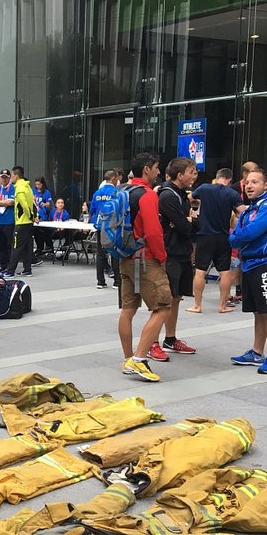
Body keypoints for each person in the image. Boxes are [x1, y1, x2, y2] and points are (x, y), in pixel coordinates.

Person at [118, 153, 170, 383]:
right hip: (145, 258)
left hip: (126, 258)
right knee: (163, 307)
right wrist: (162, 257)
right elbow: (153, 232)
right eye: (157, 168)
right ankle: (138, 360)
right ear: (147, 169)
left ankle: (129, 358)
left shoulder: (123, 191)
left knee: (128, 310)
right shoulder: (147, 195)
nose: (159, 172)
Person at [229, 168, 267, 375]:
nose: (250, 186)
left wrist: (237, 236)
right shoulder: (249, 210)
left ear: (266, 185)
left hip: (266, 264)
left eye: (255, 182)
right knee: (257, 311)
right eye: (247, 182)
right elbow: (236, 235)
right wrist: (237, 236)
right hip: (249, 264)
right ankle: (256, 351)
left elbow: (249, 232)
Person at [149, 157, 199, 362]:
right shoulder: (168, 196)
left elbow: (185, 225)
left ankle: (170, 339)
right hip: (170, 254)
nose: (195, 175)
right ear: (180, 175)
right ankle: (152, 343)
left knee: (176, 298)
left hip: (182, 253)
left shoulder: (181, 195)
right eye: (192, 171)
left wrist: (188, 220)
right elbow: (186, 227)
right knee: (164, 300)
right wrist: (191, 219)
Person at [188, 168, 246, 314]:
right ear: (229, 180)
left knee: (200, 271)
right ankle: (222, 306)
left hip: (204, 236)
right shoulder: (232, 193)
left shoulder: (204, 188)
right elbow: (243, 210)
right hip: (223, 237)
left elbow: (190, 199)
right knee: (224, 272)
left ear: (217, 177)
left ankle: (197, 305)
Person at [89, 170, 121, 288]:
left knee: (100, 253)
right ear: (113, 179)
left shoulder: (97, 193)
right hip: (112, 226)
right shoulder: (116, 192)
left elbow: (92, 209)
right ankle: (117, 281)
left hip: (99, 225)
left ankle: (100, 281)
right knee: (115, 253)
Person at [4, 166, 35, 278]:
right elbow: (33, 203)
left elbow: (25, 205)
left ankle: (10, 271)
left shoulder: (20, 188)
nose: (11, 178)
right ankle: (27, 269)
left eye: (12, 175)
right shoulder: (28, 187)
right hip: (28, 223)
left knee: (16, 247)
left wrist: (31, 215)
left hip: (22, 223)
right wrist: (34, 216)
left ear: (16, 176)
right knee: (27, 247)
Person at [0, 170, 15, 273]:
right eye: (2, 177)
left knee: (9, 244)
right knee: (0, 244)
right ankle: (3, 265)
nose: (4, 179)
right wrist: (3, 203)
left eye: (6, 177)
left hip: (9, 220)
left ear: (9, 178)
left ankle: (10, 266)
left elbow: (11, 202)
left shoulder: (12, 188)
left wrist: (0, 203)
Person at [32, 177, 54, 260]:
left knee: (45, 231)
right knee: (36, 232)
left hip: (43, 215)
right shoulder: (33, 191)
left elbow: (49, 203)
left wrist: (45, 204)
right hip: (35, 214)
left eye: (39, 184)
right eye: (36, 184)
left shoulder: (47, 192)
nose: (37, 186)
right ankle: (39, 248)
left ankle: (49, 248)